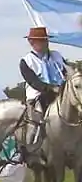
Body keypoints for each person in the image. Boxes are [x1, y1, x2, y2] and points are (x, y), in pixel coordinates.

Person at [19, 26, 65, 161]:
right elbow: (33, 81)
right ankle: (28, 149)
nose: (44, 43)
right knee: (34, 120)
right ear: (31, 42)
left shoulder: (56, 56)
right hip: (38, 96)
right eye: (40, 41)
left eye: (45, 40)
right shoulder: (26, 61)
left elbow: (66, 71)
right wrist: (50, 89)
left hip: (60, 93)